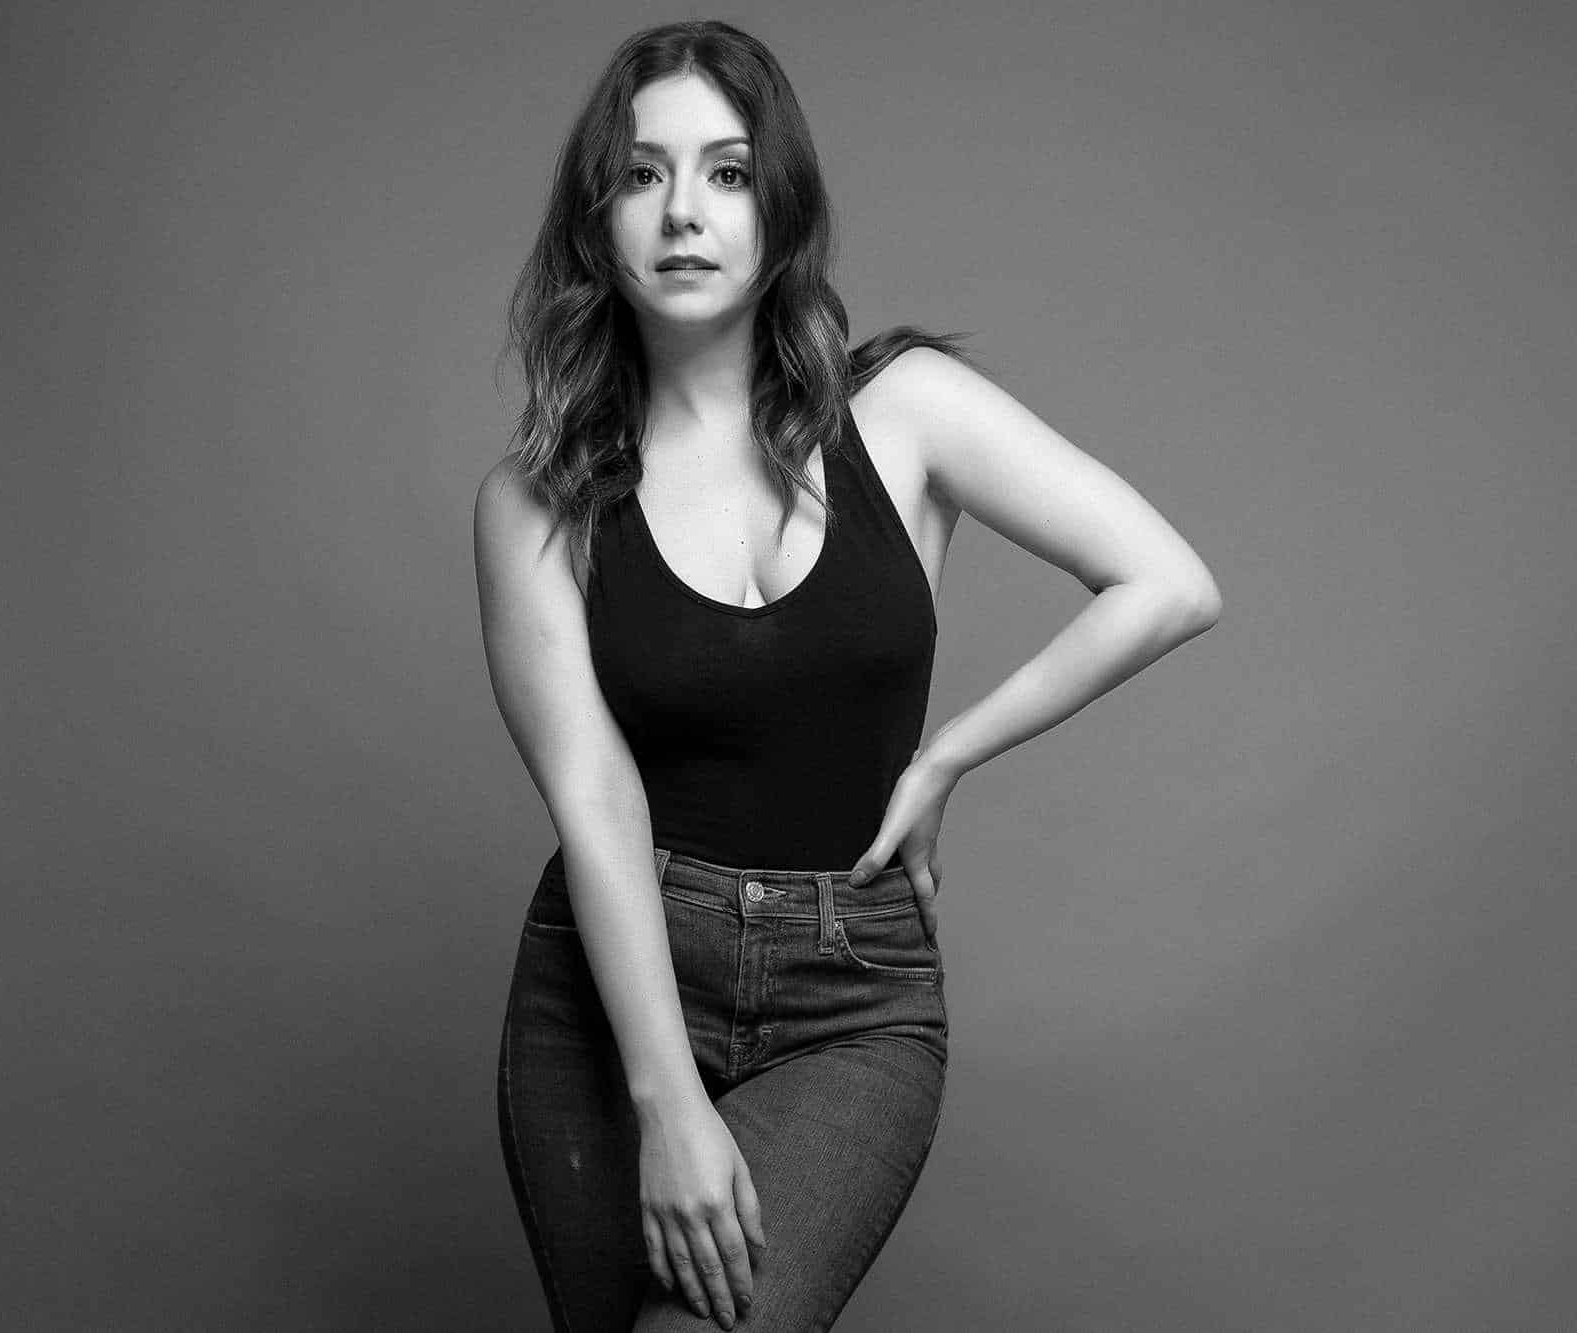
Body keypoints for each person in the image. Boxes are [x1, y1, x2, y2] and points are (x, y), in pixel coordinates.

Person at [473, 19, 1221, 1331]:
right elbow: (594, 799)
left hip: (853, 992)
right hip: (609, 996)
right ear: (597, 220)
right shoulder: (539, 501)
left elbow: (1169, 582)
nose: (684, 210)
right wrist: (666, 1100)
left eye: (727, 172)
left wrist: (945, 757)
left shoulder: (909, 412)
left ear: (780, 208)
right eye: (643, 174)